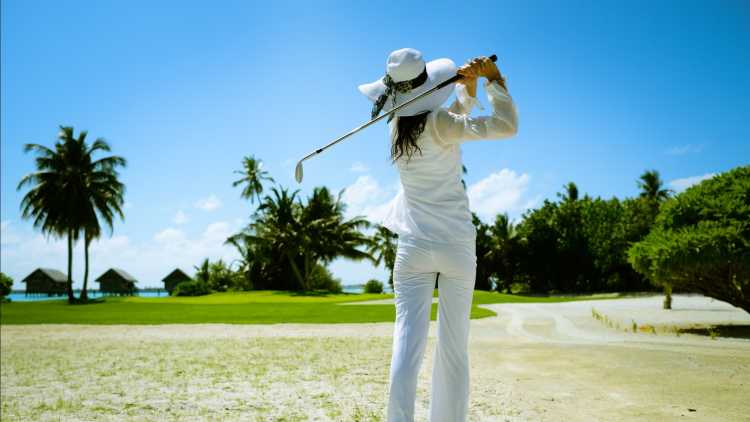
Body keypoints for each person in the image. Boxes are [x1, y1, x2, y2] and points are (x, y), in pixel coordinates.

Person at [358, 48, 519, 422]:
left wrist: (470, 87)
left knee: (406, 343)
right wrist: (495, 80)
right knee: (453, 347)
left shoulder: (395, 129)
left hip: (413, 247)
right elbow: (504, 126)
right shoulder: (441, 124)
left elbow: (446, 117)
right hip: (456, 247)